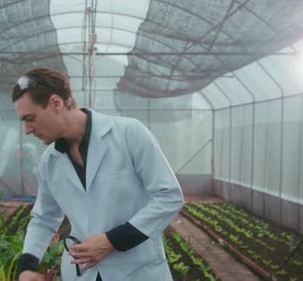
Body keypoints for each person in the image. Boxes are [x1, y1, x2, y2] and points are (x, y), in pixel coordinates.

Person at [11, 67, 184, 281]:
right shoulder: (50, 161)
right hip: (82, 273)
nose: (27, 129)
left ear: (56, 103)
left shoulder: (129, 134)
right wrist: (27, 267)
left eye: (31, 118)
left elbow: (169, 196)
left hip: (136, 271)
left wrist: (112, 240)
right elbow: (44, 218)